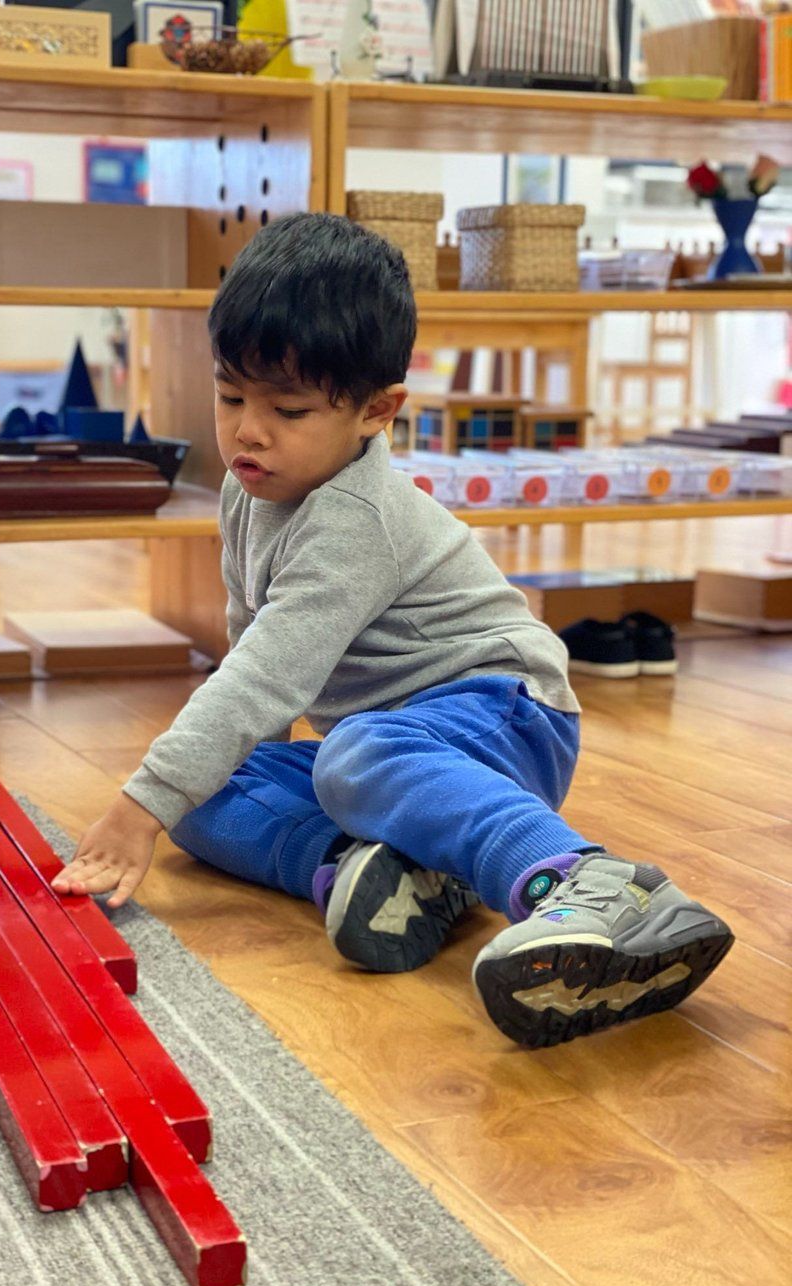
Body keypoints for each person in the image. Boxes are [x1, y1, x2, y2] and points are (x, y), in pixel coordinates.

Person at [52, 213, 733, 1047]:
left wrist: (134, 810)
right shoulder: (248, 490)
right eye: (231, 395)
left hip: (503, 714)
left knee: (344, 757)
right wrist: (184, 789)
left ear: (377, 411)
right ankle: (373, 872)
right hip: (393, 745)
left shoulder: (353, 516)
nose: (247, 430)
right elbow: (251, 658)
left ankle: (586, 882)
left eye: (289, 408)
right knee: (205, 797)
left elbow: (269, 672)